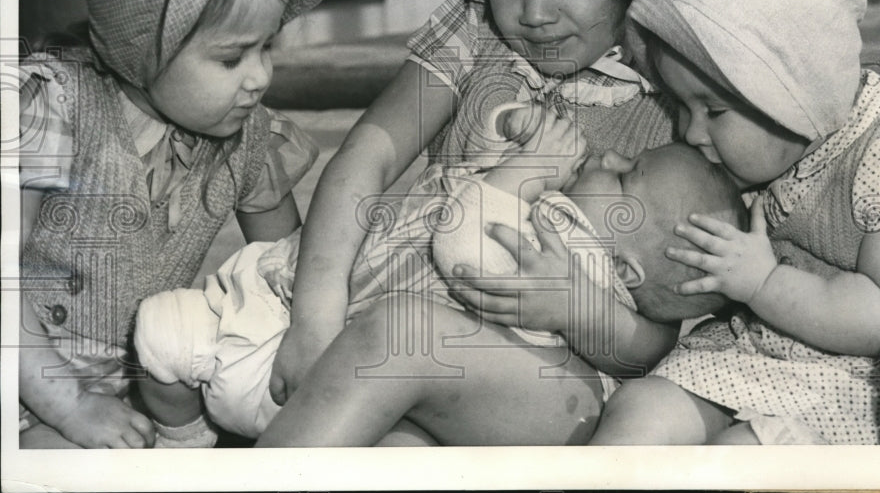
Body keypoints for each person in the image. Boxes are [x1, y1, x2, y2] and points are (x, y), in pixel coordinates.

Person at [268, 0, 698, 405]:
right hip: (397, 318)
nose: (533, 13)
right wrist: (314, 318)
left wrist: (577, 309)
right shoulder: (475, 29)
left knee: (397, 350)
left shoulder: (667, 99)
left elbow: (661, 328)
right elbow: (368, 156)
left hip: (544, 377)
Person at [134, 97, 741, 442]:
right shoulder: (580, 209)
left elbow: (467, 249)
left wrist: (523, 173)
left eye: (627, 171)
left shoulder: (575, 245)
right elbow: (370, 156)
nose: (609, 155)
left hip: (539, 393)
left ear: (628, 268)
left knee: (402, 340)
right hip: (431, 371)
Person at [17, 0, 335, 449]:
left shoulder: (248, 138)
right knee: (48, 464)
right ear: (143, 50)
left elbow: (285, 269)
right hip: (28, 376)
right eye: (231, 58)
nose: (260, 77)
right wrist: (66, 408)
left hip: (144, 377)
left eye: (268, 47)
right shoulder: (50, 106)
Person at [589, 0, 880, 446]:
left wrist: (763, 284)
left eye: (713, 111)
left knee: (740, 453)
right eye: (683, 107)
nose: (691, 132)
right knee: (641, 410)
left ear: (796, 94)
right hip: (746, 352)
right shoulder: (756, 150)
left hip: (845, 385)